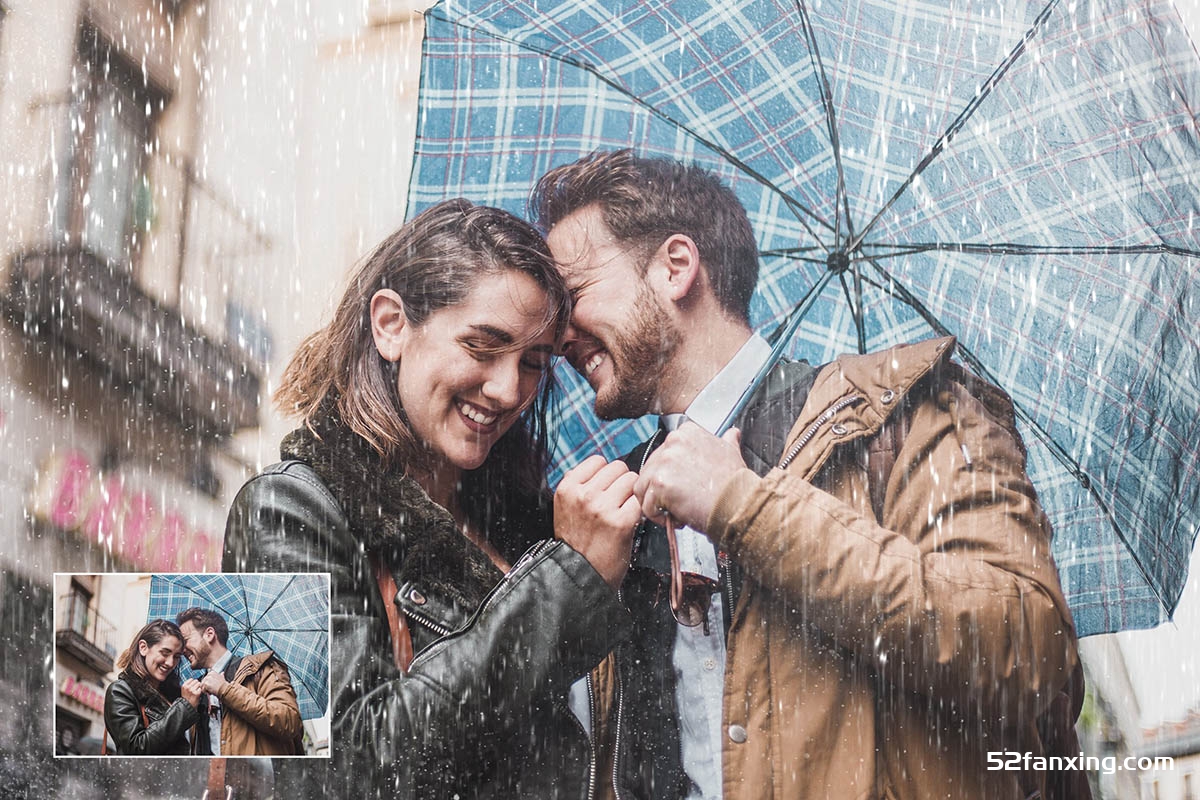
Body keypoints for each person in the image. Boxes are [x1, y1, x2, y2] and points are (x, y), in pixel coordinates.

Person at [531, 149, 1086, 800]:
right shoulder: (611, 507)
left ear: (676, 267)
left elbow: (1032, 661)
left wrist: (743, 506)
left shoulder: (908, 418)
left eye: (573, 296)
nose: (557, 332)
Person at [222, 198, 639, 797]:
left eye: (532, 363)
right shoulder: (287, 513)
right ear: (391, 325)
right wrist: (561, 583)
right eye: (482, 346)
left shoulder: (531, 529)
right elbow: (341, 771)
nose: (507, 388)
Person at [174, 606, 304, 756]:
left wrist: (225, 690)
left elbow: (289, 722)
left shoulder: (262, 669)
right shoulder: (195, 690)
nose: (182, 650)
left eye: (186, 640)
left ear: (209, 634)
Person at [103, 619, 205, 756]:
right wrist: (184, 707)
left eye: (176, 657)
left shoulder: (176, 695)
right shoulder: (120, 691)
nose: (170, 663)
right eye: (164, 653)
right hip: (146, 776)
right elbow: (137, 749)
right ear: (143, 647)